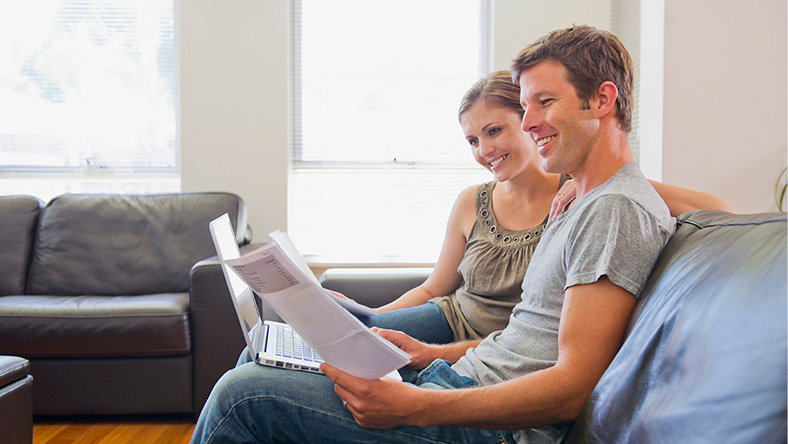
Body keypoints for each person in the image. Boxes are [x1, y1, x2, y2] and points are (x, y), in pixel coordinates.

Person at [191, 25, 680, 443]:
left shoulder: (615, 208)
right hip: (458, 380)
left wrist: (414, 407)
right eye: (525, 105)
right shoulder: (583, 202)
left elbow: (573, 385)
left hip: (488, 422)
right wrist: (428, 355)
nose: (529, 121)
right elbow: (524, 340)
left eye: (544, 102)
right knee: (266, 355)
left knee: (242, 396)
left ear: (602, 99)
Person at [365, 71, 731, 345]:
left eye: (494, 131)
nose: (484, 150)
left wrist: (595, 181)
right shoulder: (470, 201)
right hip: (449, 319)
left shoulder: (583, 196)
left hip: (507, 346)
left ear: (529, 123)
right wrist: (366, 317)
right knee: (352, 340)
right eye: (473, 140)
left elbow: (717, 210)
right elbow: (433, 290)